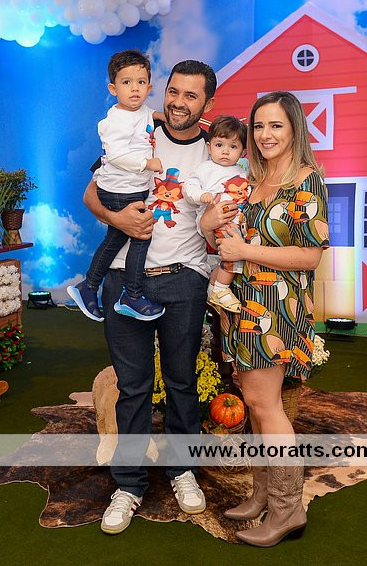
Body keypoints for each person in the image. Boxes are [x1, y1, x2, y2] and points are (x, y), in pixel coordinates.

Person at [82, 59, 231, 535]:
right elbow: (91, 194)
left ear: (208, 102)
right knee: (134, 386)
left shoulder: (216, 151)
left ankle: (182, 470)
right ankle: (128, 484)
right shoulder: (138, 129)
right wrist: (117, 220)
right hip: (126, 279)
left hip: (184, 280)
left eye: (191, 95)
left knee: (182, 382)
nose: (179, 102)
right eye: (174, 91)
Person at [211, 91, 330, 547]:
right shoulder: (254, 179)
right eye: (258, 126)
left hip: (277, 308)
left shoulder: (306, 180)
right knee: (256, 402)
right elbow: (227, 237)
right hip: (244, 305)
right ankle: (262, 494)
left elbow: (310, 256)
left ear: (295, 128)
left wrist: (244, 249)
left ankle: (287, 509)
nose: (265, 135)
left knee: (266, 406)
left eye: (276, 125)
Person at [68, 50, 166, 323]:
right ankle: (132, 295)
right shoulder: (115, 121)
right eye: (126, 82)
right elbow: (116, 156)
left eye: (141, 82)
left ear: (149, 87)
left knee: (115, 239)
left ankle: (88, 287)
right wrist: (147, 163)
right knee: (141, 235)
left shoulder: (141, 111)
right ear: (113, 89)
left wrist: (160, 115)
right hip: (120, 190)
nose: (134, 88)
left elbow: (147, 114)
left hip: (131, 188)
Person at [182, 115, 249, 314]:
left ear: (243, 152)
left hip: (236, 220)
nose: (225, 151)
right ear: (209, 147)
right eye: (219, 145)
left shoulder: (242, 172)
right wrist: (201, 195)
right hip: (218, 220)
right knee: (233, 254)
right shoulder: (206, 169)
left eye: (233, 147)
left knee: (231, 254)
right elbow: (189, 186)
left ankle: (213, 287)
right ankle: (220, 289)